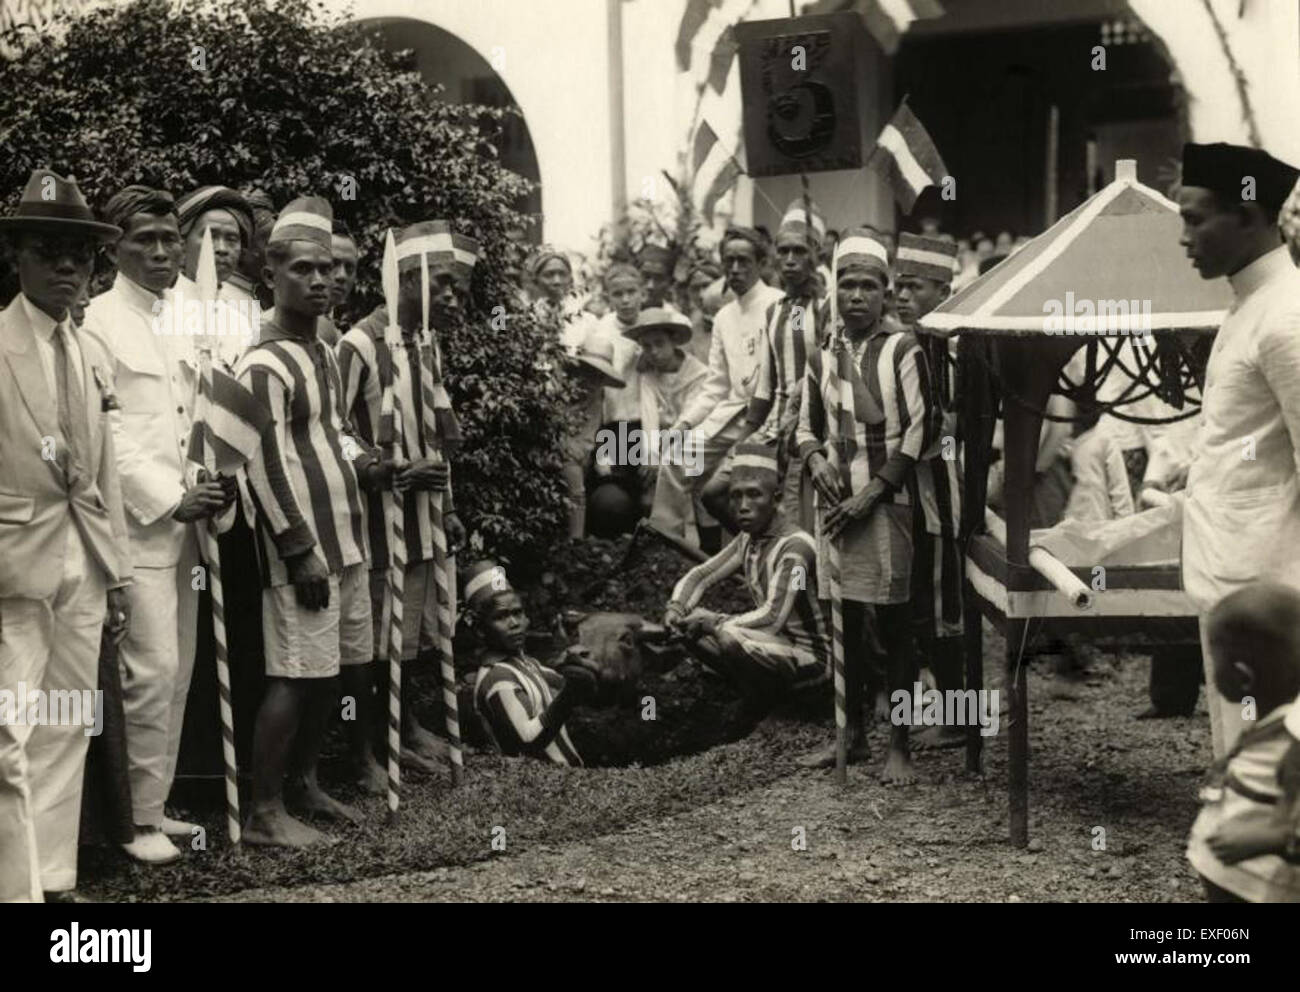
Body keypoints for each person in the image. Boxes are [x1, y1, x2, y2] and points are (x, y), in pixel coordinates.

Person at [83, 186, 236, 864]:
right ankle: (131, 821)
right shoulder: (97, 322)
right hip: (139, 525)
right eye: (143, 239)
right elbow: (108, 435)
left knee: (181, 670)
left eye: (169, 239)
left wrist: (208, 487)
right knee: (149, 669)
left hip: (192, 523)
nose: (159, 250)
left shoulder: (188, 316)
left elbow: (202, 410)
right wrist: (169, 496)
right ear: (114, 245)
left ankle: (155, 804)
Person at [236, 196, 391, 846]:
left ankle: (304, 783)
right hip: (305, 549)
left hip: (348, 537)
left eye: (328, 269)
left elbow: (333, 433)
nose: (322, 281)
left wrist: (368, 457)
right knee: (294, 676)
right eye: (304, 269)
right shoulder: (262, 363)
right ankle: (263, 811)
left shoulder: (322, 352)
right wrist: (297, 548)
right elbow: (261, 461)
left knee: (334, 671)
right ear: (271, 272)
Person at [0, 170, 132, 902]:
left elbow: (100, 476)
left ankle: (52, 879)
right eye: (48, 251)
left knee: (64, 725)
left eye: (78, 256)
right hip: (12, 571)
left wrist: (116, 575)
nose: (65, 268)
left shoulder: (87, 353)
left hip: (81, 566)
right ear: (16, 256)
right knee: (8, 736)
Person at [793, 230, 934, 784]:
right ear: (834, 293)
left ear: (885, 292)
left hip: (887, 503)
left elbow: (919, 431)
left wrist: (872, 493)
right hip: (833, 503)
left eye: (868, 286)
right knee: (845, 621)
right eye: (846, 285)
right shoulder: (822, 356)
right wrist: (815, 461)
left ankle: (900, 743)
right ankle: (849, 733)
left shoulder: (902, 349)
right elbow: (807, 427)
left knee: (895, 623)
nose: (856, 296)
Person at [337, 220, 473, 784]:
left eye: (458, 290)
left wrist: (447, 507)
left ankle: (404, 727)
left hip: (422, 521)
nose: (451, 297)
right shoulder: (360, 344)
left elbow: (434, 438)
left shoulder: (425, 344)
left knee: (412, 635)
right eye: (441, 284)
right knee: (369, 643)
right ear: (405, 279)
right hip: (376, 520)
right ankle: (361, 753)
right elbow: (331, 429)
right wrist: (381, 467)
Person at [1176, 141, 1300, 760]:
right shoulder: (1248, 305)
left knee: (1270, 753)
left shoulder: (1286, 317)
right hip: (1232, 575)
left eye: (1196, 219)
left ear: (1250, 216)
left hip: (1271, 585)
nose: (1183, 237)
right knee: (1242, 747)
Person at [664, 443, 830, 717]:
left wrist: (712, 621)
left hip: (816, 662)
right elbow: (703, 574)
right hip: (774, 647)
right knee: (687, 630)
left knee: (728, 636)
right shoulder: (748, 540)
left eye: (754, 495)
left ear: (776, 498)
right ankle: (757, 697)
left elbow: (773, 616)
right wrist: (676, 608)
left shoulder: (796, 547)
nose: (743, 506)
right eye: (736, 496)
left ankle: (772, 705)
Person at [654, 227, 783, 548]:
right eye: (729, 261)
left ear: (762, 263)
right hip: (728, 416)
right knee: (676, 461)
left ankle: (763, 547)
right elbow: (715, 385)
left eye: (744, 260)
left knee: (738, 486)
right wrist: (683, 424)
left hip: (769, 419)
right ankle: (666, 546)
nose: (736, 269)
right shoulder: (724, 315)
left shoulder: (780, 305)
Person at [893, 232, 966, 748]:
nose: (900, 296)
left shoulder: (955, 347)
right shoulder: (909, 345)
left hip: (944, 496)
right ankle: (947, 710)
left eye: (912, 286)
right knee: (922, 606)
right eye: (898, 286)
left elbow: (949, 428)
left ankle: (961, 721)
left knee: (947, 611)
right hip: (914, 498)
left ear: (942, 288)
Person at [1186, 582, 1300, 902]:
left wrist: (1271, 839)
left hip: (1259, 883)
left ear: (1242, 677)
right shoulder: (1281, 718)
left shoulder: (1295, 742)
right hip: (1240, 877)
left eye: (1214, 659)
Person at [744, 197, 830, 534]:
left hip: (812, 431)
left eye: (801, 251)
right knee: (719, 492)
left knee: (797, 517)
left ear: (817, 256)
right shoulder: (777, 310)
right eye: (784, 252)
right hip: (774, 428)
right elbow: (767, 383)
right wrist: (747, 436)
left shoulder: (826, 308)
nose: (791, 260)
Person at [467, 561, 600, 766]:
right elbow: (528, 741)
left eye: (517, 613)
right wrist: (569, 695)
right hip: (546, 789)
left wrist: (575, 663)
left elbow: (573, 683)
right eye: (501, 616)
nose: (514, 623)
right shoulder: (498, 678)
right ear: (480, 629)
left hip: (569, 781)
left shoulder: (527, 664)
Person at [626, 307, 708, 518]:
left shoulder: (697, 373)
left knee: (695, 490)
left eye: (660, 343)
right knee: (651, 495)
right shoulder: (648, 375)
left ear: (674, 341)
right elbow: (649, 415)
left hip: (692, 437)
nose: (653, 351)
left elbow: (690, 416)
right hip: (660, 441)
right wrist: (651, 456)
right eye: (647, 346)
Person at [173, 185, 259, 369]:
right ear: (183, 244)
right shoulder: (161, 308)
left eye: (232, 239)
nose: (221, 248)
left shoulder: (242, 323)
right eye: (210, 236)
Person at [560, 331, 625, 538]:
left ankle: (577, 541)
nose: (591, 379)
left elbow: (593, 433)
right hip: (556, 451)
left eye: (598, 375)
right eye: (588, 370)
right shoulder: (559, 388)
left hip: (580, 456)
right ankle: (573, 539)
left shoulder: (598, 396)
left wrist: (593, 455)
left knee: (584, 491)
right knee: (574, 484)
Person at [636, 243, 678, 311]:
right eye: (646, 276)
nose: (650, 286)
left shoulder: (677, 320)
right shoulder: (615, 319)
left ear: (670, 283)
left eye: (658, 279)